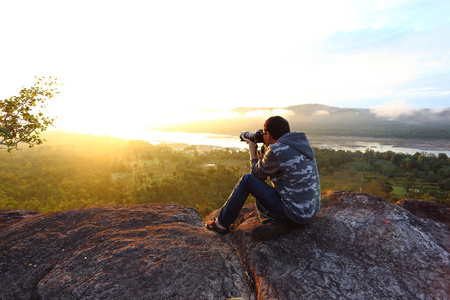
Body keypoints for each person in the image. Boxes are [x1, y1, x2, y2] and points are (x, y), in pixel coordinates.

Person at [206, 116, 321, 240]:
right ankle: (273, 224)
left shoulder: (277, 150)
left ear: (268, 134)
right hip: (310, 212)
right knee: (260, 191)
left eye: (264, 134)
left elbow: (255, 175)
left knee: (247, 180)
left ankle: (221, 225)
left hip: (295, 215)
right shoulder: (301, 144)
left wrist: (252, 148)